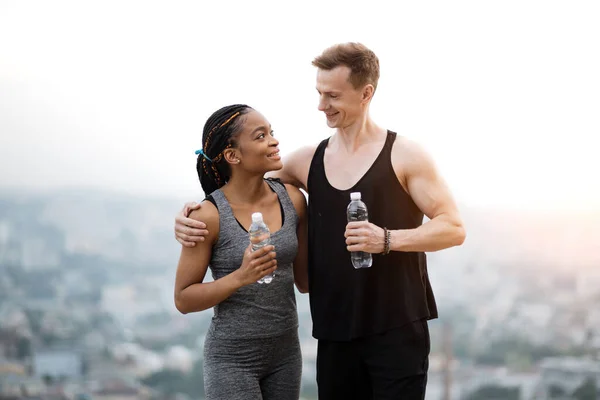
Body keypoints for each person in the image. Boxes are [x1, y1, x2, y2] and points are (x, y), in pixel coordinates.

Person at [174, 43, 466, 400]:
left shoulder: (405, 154)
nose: (321, 105)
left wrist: (386, 240)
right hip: (333, 333)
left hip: (397, 328)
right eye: (319, 93)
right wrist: (189, 215)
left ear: (366, 93)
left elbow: (453, 227)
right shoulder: (305, 161)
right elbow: (237, 186)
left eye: (332, 95)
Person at [173, 104, 308, 400]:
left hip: (286, 352)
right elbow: (183, 299)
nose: (274, 141)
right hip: (232, 359)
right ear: (233, 155)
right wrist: (241, 277)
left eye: (272, 132)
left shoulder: (294, 201)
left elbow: (306, 282)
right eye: (261, 136)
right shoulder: (207, 216)